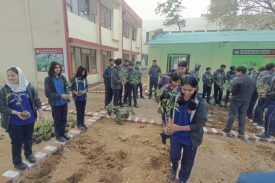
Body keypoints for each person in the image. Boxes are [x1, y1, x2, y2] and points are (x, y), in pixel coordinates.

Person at [0, 67, 45, 170]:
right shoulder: (5, 89)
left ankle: (28, 154)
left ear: (19, 75)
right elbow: (2, 106)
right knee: (17, 141)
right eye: (8, 76)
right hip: (14, 121)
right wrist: (16, 113)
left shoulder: (27, 86)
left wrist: (41, 112)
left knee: (28, 138)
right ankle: (17, 162)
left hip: (29, 119)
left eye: (13, 75)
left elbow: (36, 100)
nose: (10, 78)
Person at [167, 75, 208, 183]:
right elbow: (170, 112)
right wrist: (170, 123)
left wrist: (178, 128)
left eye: (190, 90)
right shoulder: (175, 97)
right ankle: (173, 168)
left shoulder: (201, 103)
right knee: (174, 156)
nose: (187, 92)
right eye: (184, 89)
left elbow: (199, 124)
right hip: (176, 135)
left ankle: (183, 179)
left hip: (191, 138)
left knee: (187, 162)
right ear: (180, 87)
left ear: (196, 88)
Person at [223, 66, 255, 140]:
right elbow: (253, 91)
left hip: (236, 100)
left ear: (240, 72)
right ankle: (241, 132)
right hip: (246, 101)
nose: (235, 73)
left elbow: (233, 91)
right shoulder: (252, 80)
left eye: (236, 72)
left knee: (232, 114)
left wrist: (231, 95)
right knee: (242, 116)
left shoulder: (238, 80)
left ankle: (228, 129)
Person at [44, 61, 71, 143]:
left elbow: (67, 87)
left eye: (59, 67)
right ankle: (58, 135)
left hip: (64, 102)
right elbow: (48, 93)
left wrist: (67, 93)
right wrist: (60, 96)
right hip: (56, 103)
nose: (58, 69)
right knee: (57, 120)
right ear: (52, 68)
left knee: (64, 119)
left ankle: (63, 133)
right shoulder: (48, 79)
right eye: (56, 68)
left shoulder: (62, 77)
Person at [159, 72, 181, 144]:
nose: (177, 84)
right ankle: (166, 136)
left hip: (176, 111)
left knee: (174, 128)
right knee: (168, 127)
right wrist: (160, 107)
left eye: (178, 82)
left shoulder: (180, 89)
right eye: (175, 82)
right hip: (167, 111)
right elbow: (160, 99)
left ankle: (165, 136)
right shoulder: (165, 89)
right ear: (171, 80)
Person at [70, 66, 88, 131]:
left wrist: (84, 91)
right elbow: (70, 87)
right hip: (77, 98)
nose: (83, 73)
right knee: (79, 110)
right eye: (82, 72)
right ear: (79, 71)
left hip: (84, 97)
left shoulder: (84, 79)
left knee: (83, 110)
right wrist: (75, 92)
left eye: (84, 72)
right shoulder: (74, 78)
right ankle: (79, 124)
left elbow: (87, 87)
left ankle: (82, 123)